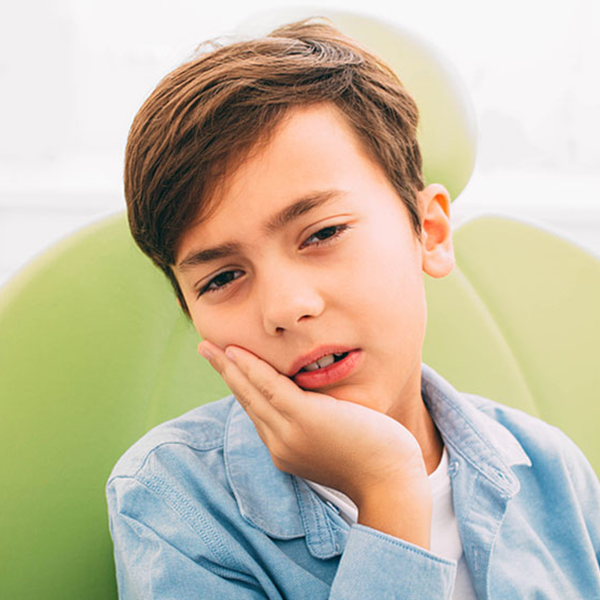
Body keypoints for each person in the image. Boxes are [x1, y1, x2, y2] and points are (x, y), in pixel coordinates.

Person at [106, 18, 600, 599]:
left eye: (323, 233)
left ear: (431, 233)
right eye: (223, 277)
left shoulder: (549, 470)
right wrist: (388, 491)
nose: (287, 308)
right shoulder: (170, 500)